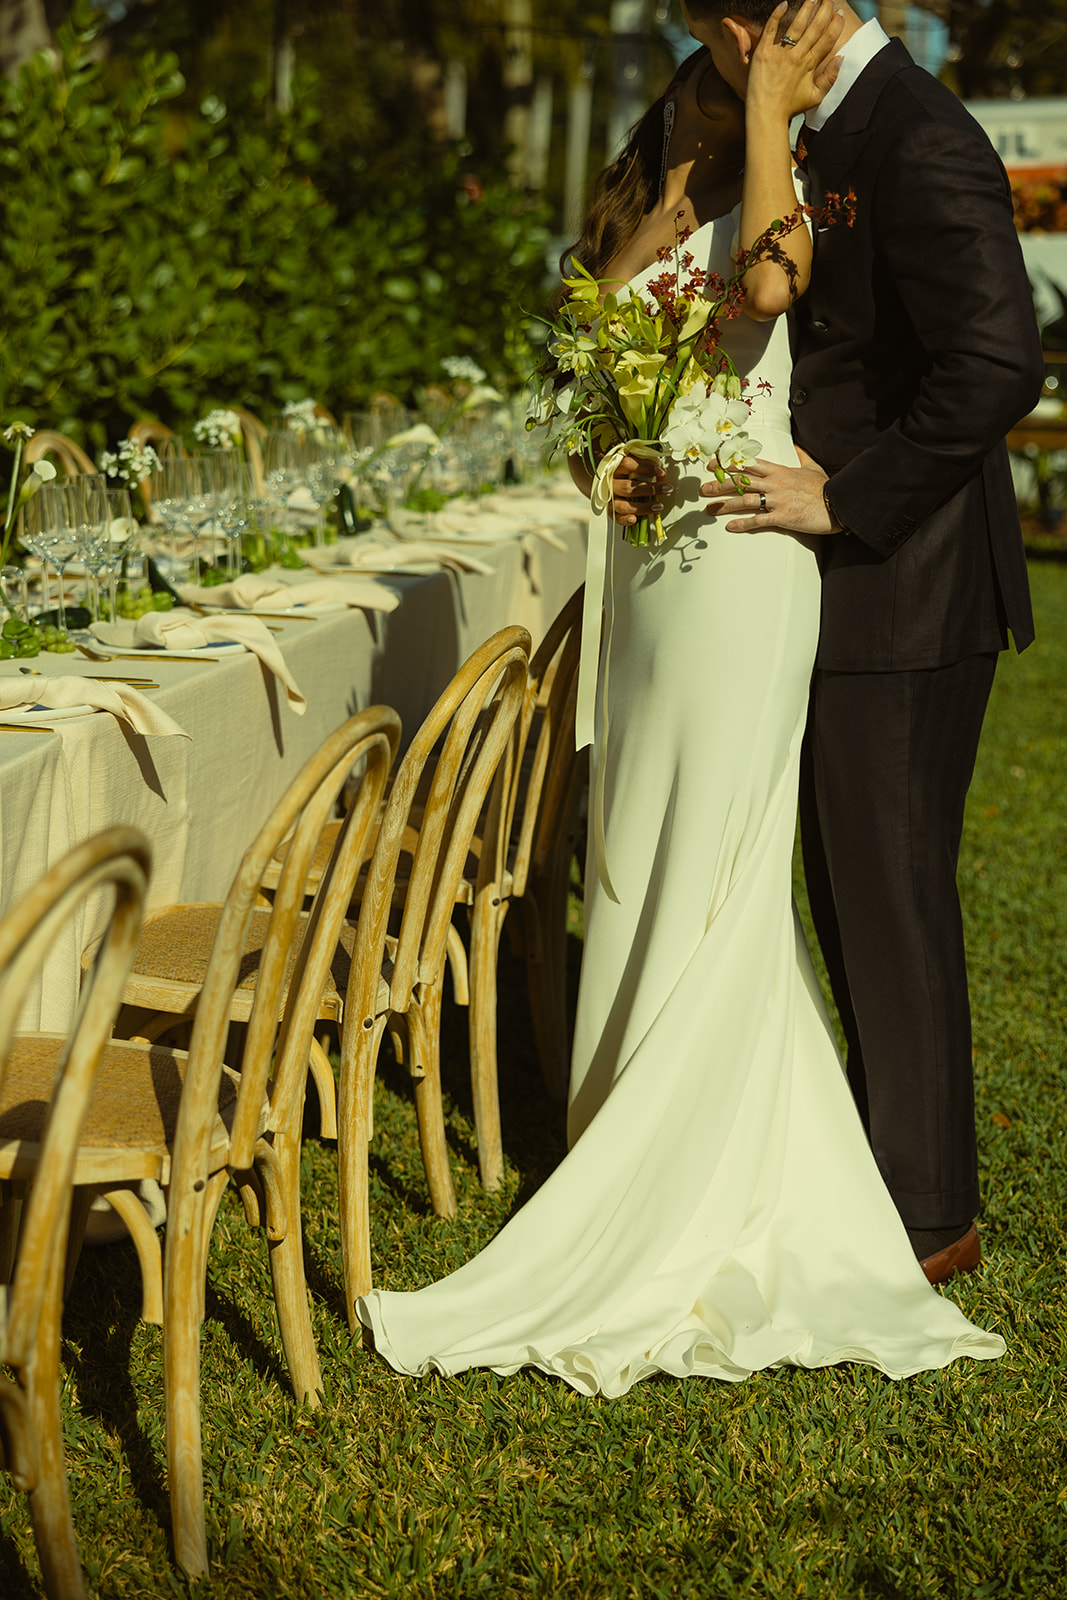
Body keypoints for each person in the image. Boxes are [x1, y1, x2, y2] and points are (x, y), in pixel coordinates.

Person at [355, 6, 1005, 1394]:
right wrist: (608, 463)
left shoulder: (815, 163)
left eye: (749, 56)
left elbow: (784, 301)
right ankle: (628, 1120)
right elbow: (586, 365)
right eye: (711, 76)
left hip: (754, 557)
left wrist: (766, 113)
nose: (734, 78)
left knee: (743, 865)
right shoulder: (668, 183)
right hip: (655, 562)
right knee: (641, 844)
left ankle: (812, 1180)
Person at [681, 0, 1044, 1284]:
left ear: (747, 25)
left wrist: (846, 497)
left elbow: (1000, 358)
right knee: (850, 882)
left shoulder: (916, 135)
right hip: (860, 587)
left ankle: (926, 1211)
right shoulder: (842, 126)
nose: (720, 74)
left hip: (911, 580)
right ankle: (892, 1158)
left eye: (714, 46)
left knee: (887, 889)